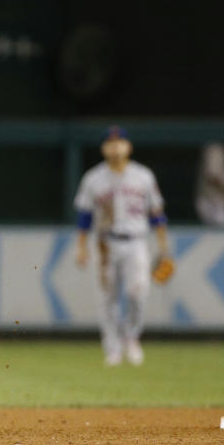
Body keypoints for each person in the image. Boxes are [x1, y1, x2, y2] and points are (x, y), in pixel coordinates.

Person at [74, 126, 169, 367]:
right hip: (106, 244)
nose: (115, 147)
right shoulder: (93, 178)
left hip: (136, 241)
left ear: (129, 147)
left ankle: (132, 337)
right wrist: (81, 247)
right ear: (103, 148)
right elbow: (84, 216)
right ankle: (113, 348)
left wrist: (163, 247)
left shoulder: (143, 176)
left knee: (138, 292)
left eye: (120, 142)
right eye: (110, 142)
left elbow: (157, 214)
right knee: (107, 298)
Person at [195, 142, 224, 225]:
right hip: (212, 201)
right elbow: (212, 177)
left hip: (214, 200)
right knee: (220, 231)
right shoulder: (215, 149)